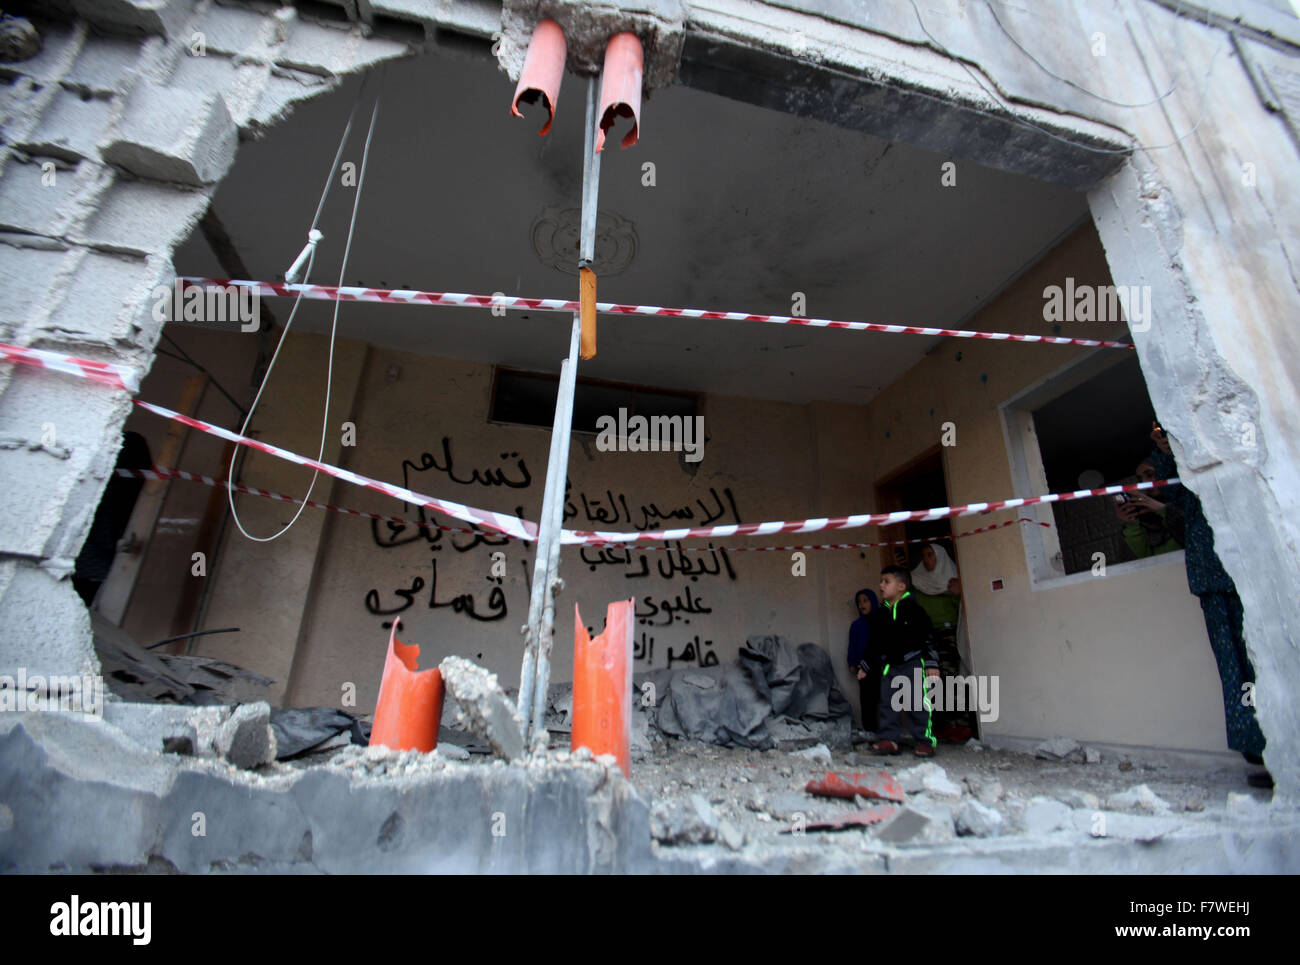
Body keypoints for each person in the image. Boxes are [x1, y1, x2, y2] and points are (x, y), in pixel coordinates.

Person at [1145, 422, 1269, 787]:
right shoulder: (1182, 468)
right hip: (1210, 580)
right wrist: (1164, 450)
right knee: (1234, 670)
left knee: (1261, 663)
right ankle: (1258, 751)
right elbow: (1173, 498)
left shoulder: (1232, 458)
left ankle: (1280, 743)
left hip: (1245, 574)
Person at [869, 565, 940, 758]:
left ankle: (925, 741)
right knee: (887, 703)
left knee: (917, 703)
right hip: (889, 666)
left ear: (901, 586)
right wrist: (866, 664)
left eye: (886, 582)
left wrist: (932, 663)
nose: (881, 585)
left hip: (912, 662)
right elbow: (874, 642)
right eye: (881, 581)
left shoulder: (914, 609)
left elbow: (928, 637)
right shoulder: (881, 613)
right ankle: (889, 739)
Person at [1115, 457, 1183, 559]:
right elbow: (1141, 561)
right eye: (1140, 480)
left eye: (1150, 475)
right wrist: (1131, 524)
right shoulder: (1144, 516)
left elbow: (1193, 538)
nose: (1145, 483)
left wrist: (1164, 510)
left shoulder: (1188, 502)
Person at [848, 588, 881, 733]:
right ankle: (870, 730)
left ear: (873, 601)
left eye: (865, 600)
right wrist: (851, 662)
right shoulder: (856, 625)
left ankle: (887, 731)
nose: (862, 604)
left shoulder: (880, 621)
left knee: (884, 698)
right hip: (862, 668)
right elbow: (852, 645)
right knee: (867, 700)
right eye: (859, 602)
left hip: (879, 666)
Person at [910, 541, 961, 626]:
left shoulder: (952, 578)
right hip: (925, 628)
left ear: (940, 556)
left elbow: (962, 606)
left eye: (930, 555)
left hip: (949, 627)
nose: (925, 559)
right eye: (923, 556)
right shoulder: (916, 578)